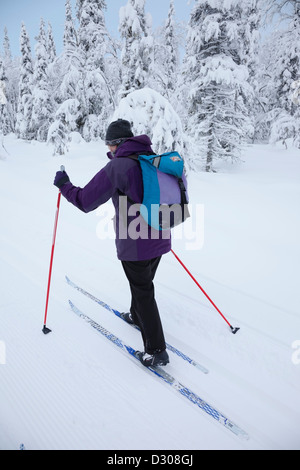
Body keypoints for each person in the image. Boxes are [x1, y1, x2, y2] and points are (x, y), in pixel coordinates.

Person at [54, 119, 170, 367]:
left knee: (143, 290)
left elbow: (86, 201)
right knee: (142, 283)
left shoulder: (119, 167)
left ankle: (157, 350)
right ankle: (137, 317)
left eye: (108, 144)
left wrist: (64, 185)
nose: (108, 148)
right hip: (160, 234)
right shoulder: (152, 160)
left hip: (136, 242)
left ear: (117, 144)